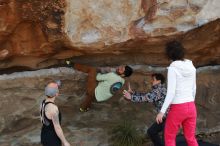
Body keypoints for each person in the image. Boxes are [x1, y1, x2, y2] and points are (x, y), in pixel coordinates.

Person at [156, 41, 198, 146]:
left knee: (169, 138)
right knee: (191, 138)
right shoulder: (192, 67)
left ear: (169, 54)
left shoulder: (172, 68)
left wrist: (162, 112)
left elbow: (171, 92)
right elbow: (194, 88)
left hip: (178, 108)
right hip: (191, 106)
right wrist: (190, 101)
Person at [66, 61, 133, 112]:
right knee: (90, 97)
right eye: (121, 67)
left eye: (121, 70)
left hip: (95, 91)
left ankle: (72, 64)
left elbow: (97, 77)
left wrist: (100, 71)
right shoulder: (122, 81)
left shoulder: (112, 75)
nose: (119, 68)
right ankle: (84, 108)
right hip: (102, 96)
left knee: (92, 70)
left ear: (123, 75)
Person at [123, 73, 167, 146]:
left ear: (159, 81)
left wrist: (131, 97)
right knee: (152, 131)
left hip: (168, 118)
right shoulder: (157, 90)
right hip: (163, 118)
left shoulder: (159, 90)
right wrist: (133, 93)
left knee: (164, 137)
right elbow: (146, 95)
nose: (151, 81)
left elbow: (147, 98)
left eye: (153, 80)